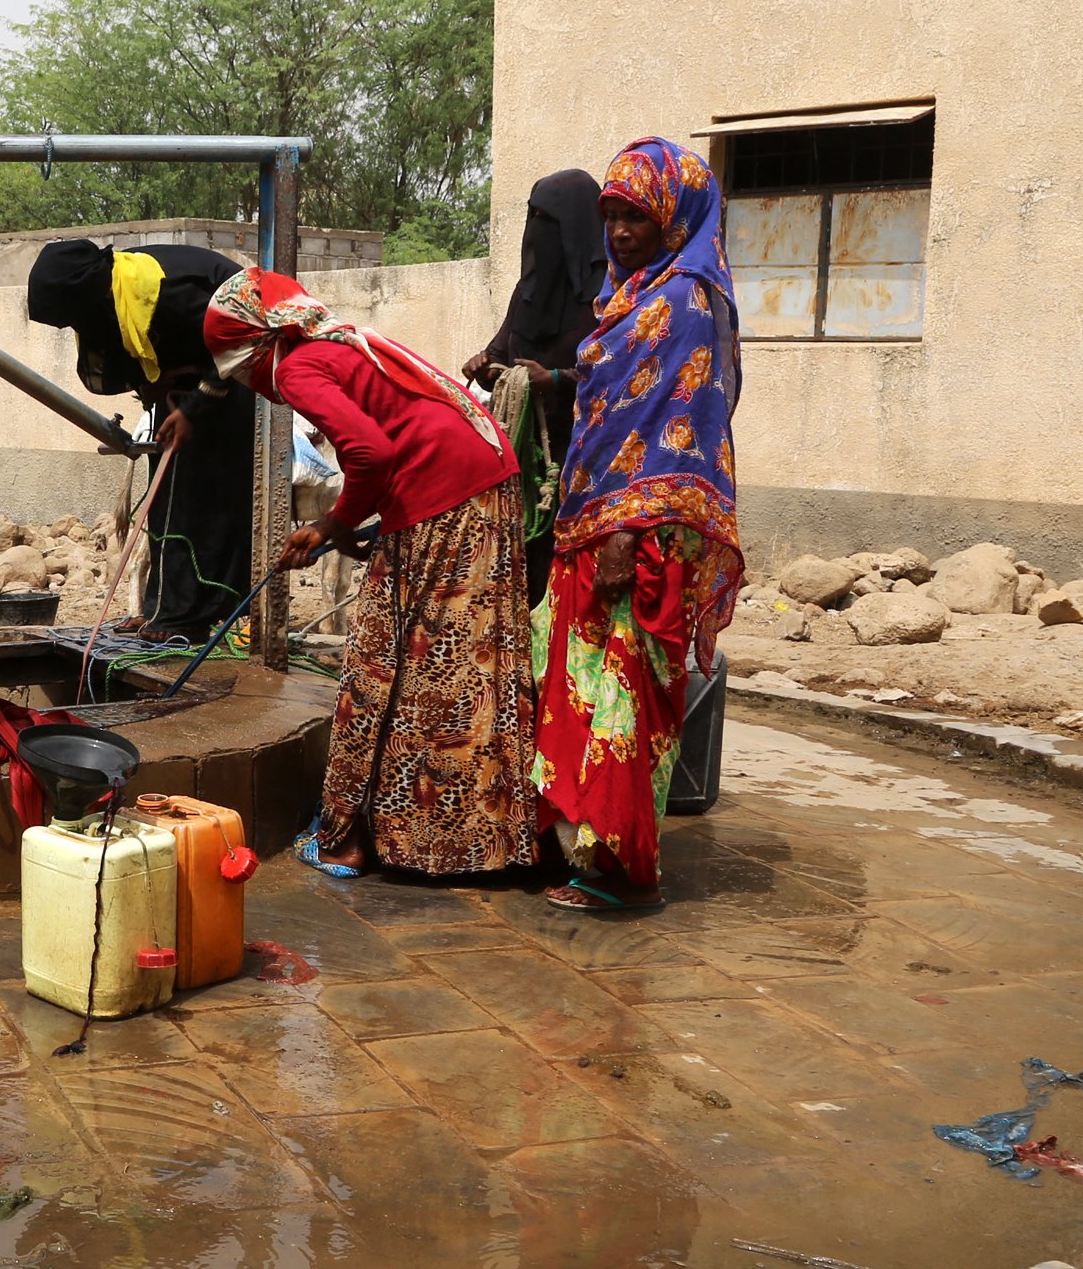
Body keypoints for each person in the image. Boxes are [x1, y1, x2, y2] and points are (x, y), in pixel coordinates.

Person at [202, 268, 537, 878]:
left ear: (261, 346)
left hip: (449, 495)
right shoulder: (340, 340)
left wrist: (332, 525)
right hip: (485, 484)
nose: (256, 387)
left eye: (244, 371)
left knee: (390, 663)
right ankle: (484, 841)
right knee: (469, 665)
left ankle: (365, 839)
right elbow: (401, 437)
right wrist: (368, 528)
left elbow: (371, 452)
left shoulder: (297, 365)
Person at [526, 138, 743, 912]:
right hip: (595, 520)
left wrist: (625, 533)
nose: (617, 231)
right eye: (609, 215)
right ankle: (582, 843)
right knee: (576, 686)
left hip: (639, 533)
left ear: (675, 217)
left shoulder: (683, 300)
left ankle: (620, 867)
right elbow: (609, 398)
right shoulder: (631, 295)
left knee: (622, 693)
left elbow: (673, 421)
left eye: (636, 216)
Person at [26, 239, 255, 639]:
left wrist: (194, 409)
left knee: (205, 502)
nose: (69, 326)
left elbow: (239, 341)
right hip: (184, 385)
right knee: (166, 499)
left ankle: (195, 616)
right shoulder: (113, 298)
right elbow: (138, 356)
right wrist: (156, 392)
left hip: (235, 374)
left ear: (84, 296)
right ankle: (162, 609)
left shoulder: (168, 292)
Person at [464, 171, 609, 604]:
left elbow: (620, 372)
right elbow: (499, 350)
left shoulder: (609, 298)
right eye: (534, 218)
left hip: (579, 459)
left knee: (562, 568)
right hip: (521, 460)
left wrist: (558, 379)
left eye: (550, 222)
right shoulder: (526, 291)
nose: (537, 232)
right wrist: (486, 366)